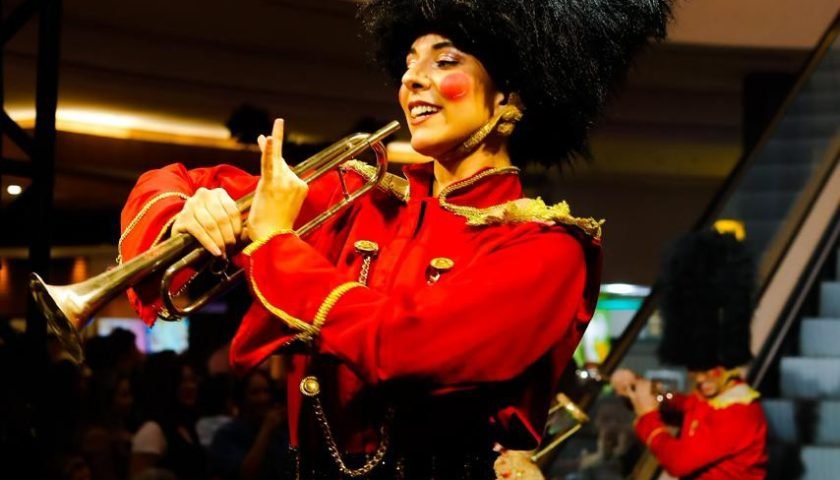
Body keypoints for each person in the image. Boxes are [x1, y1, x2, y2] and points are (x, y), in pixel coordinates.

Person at [117, 1, 673, 477]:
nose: (412, 80)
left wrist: (275, 245)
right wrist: (189, 213)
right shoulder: (361, 197)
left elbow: (410, 349)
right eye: (409, 63)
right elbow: (173, 180)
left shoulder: (548, 248)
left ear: (513, 95)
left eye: (445, 61)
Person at [611, 228, 768, 480]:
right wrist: (640, 388)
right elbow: (685, 407)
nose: (701, 378)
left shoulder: (739, 412)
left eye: (709, 370)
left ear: (728, 365)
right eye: (696, 370)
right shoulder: (714, 396)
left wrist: (648, 417)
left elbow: (679, 463)